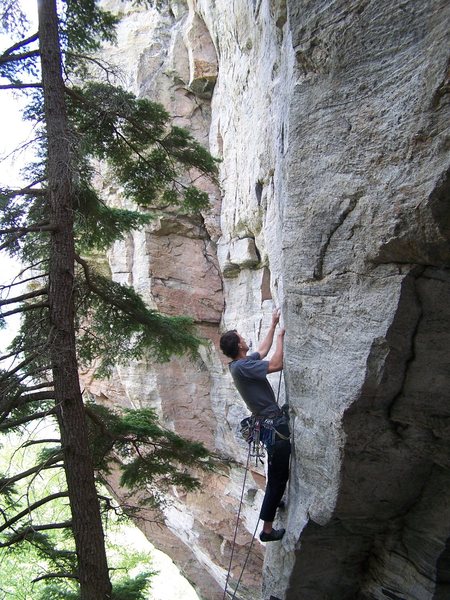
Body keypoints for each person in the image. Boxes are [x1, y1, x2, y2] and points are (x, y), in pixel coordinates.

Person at [219, 309, 290, 542]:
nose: (244, 339)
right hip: (273, 425)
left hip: (266, 424)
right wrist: (281, 337)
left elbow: (261, 350)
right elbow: (277, 364)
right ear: (239, 346)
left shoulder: (240, 364)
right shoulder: (242, 367)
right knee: (279, 477)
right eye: (241, 338)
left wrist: (272, 324)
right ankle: (267, 531)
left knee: (276, 473)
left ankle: (274, 498)